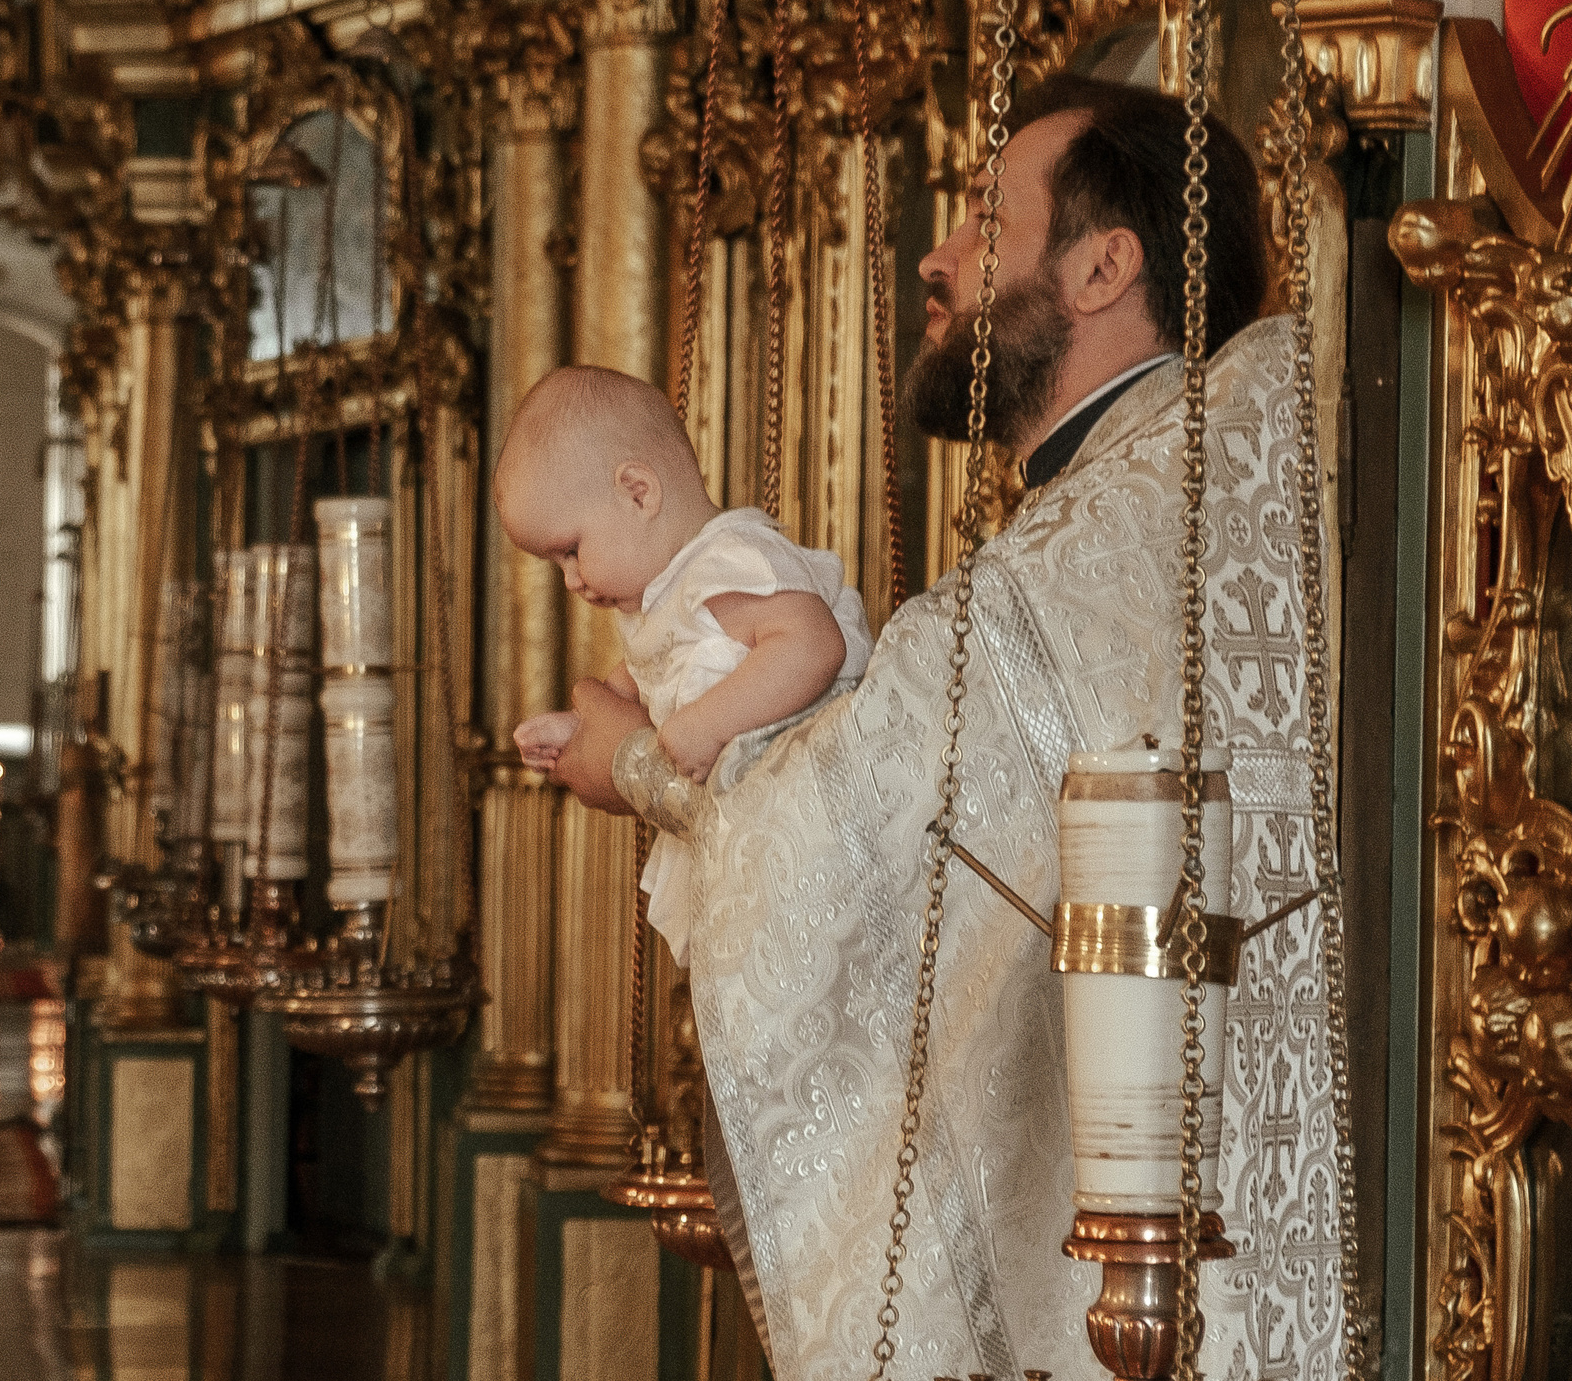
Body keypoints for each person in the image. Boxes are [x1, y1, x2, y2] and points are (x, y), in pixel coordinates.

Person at [547, 75, 1343, 1381]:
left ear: (1103, 265)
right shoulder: (1197, 468)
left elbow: (843, 821)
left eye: (985, 218)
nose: (939, 254)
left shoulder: (1098, 540)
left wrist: (636, 761)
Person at [494, 365, 874, 965]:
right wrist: (579, 727)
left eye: (571, 550)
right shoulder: (667, 597)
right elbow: (641, 683)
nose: (571, 581)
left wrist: (705, 725)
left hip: (820, 832)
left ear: (638, 491)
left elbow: (812, 646)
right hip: (748, 845)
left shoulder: (727, 564)